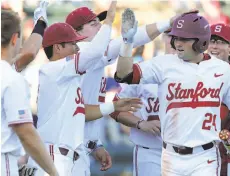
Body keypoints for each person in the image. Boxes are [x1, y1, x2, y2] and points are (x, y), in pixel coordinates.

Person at [115, 11, 230, 175]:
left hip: (205, 156)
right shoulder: (164, 64)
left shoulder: (222, 69)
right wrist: (127, 43)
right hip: (170, 156)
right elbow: (124, 74)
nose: (177, 43)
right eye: (176, 37)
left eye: (184, 39)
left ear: (201, 41)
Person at [27, 2, 142, 175]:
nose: (77, 48)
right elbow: (95, 52)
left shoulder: (68, 77)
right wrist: (109, 21)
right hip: (53, 157)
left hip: (71, 156)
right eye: (73, 44)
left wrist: (114, 107)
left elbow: (81, 112)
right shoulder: (53, 70)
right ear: (58, 47)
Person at [66, 6, 179, 174]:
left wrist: (95, 143)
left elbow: (130, 39)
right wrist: (166, 23)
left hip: (78, 147)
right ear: (76, 33)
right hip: (66, 149)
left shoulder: (91, 56)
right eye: (93, 24)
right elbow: (78, 111)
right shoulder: (83, 54)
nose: (101, 27)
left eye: (100, 22)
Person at [1, 9, 58, 176]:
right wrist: (53, 172)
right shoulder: (10, 77)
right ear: (14, 39)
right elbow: (25, 132)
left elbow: (29, 53)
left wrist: (40, 26)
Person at [208, 23, 230, 176]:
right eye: (212, 41)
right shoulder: (196, 71)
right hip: (203, 150)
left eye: (220, 42)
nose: (215, 46)